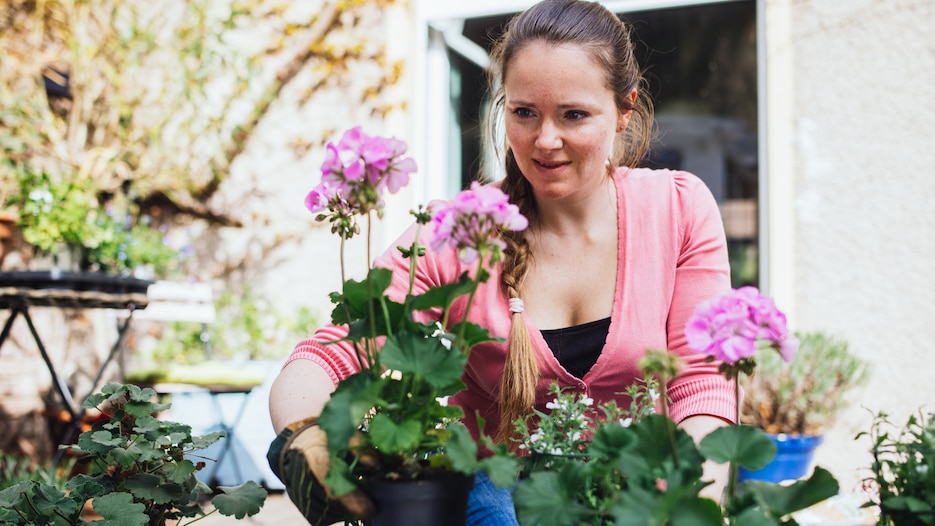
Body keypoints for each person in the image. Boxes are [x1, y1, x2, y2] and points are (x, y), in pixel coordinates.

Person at [268, 0, 735, 524]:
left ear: (624, 109)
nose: (545, 140)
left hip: (642, 497)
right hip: (499, 502)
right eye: (524, 112)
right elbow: (337, 348)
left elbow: (701, 385)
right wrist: (303, 432)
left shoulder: (677, 209)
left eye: (574, 114)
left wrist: (693, 505)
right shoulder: (461, 230)